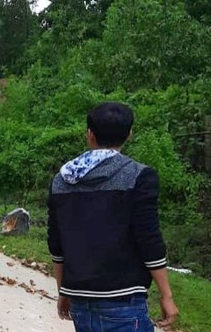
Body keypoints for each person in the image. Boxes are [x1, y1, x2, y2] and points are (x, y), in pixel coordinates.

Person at [48, 102, 178, 331]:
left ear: (89, 134)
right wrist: (166, 295)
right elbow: (149, 240)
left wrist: (64, 290)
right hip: (123, 301)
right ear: (129, 134)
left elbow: (56, 245)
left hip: (80, 302)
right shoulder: (139, 176)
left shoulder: (62, 180)